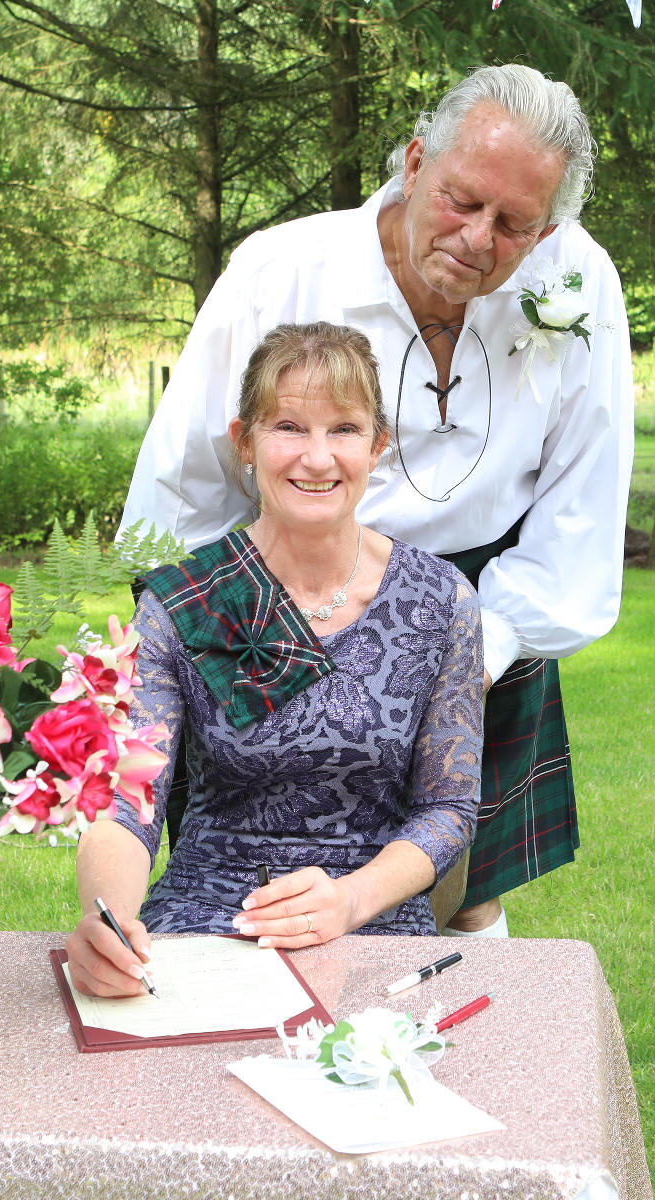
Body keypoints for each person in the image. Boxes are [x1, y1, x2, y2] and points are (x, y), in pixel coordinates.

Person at [121, 64, 635, 938]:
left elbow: (582, 505)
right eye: (461, 201)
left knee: (461, 890)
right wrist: (241, 648)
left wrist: (468, 649)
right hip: (272, 594)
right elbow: (184, 490)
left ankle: (472, 1027)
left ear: (549, 228)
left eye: (515, 225)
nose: (478, 239)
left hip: (475, 600)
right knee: (257, 877)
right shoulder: (280, 268)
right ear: (414, 161)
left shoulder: (578, 281)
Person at [65, 322, 483, 998]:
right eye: (289, 426)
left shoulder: (441, 601)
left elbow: (449, 809)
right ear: (245, 443)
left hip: (370, 920)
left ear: (378, 445)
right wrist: (106, 921)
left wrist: (350, 900)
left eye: (344, 429)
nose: (317, 458)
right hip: (209, 915)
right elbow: (127, 800)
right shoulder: (185, 600)